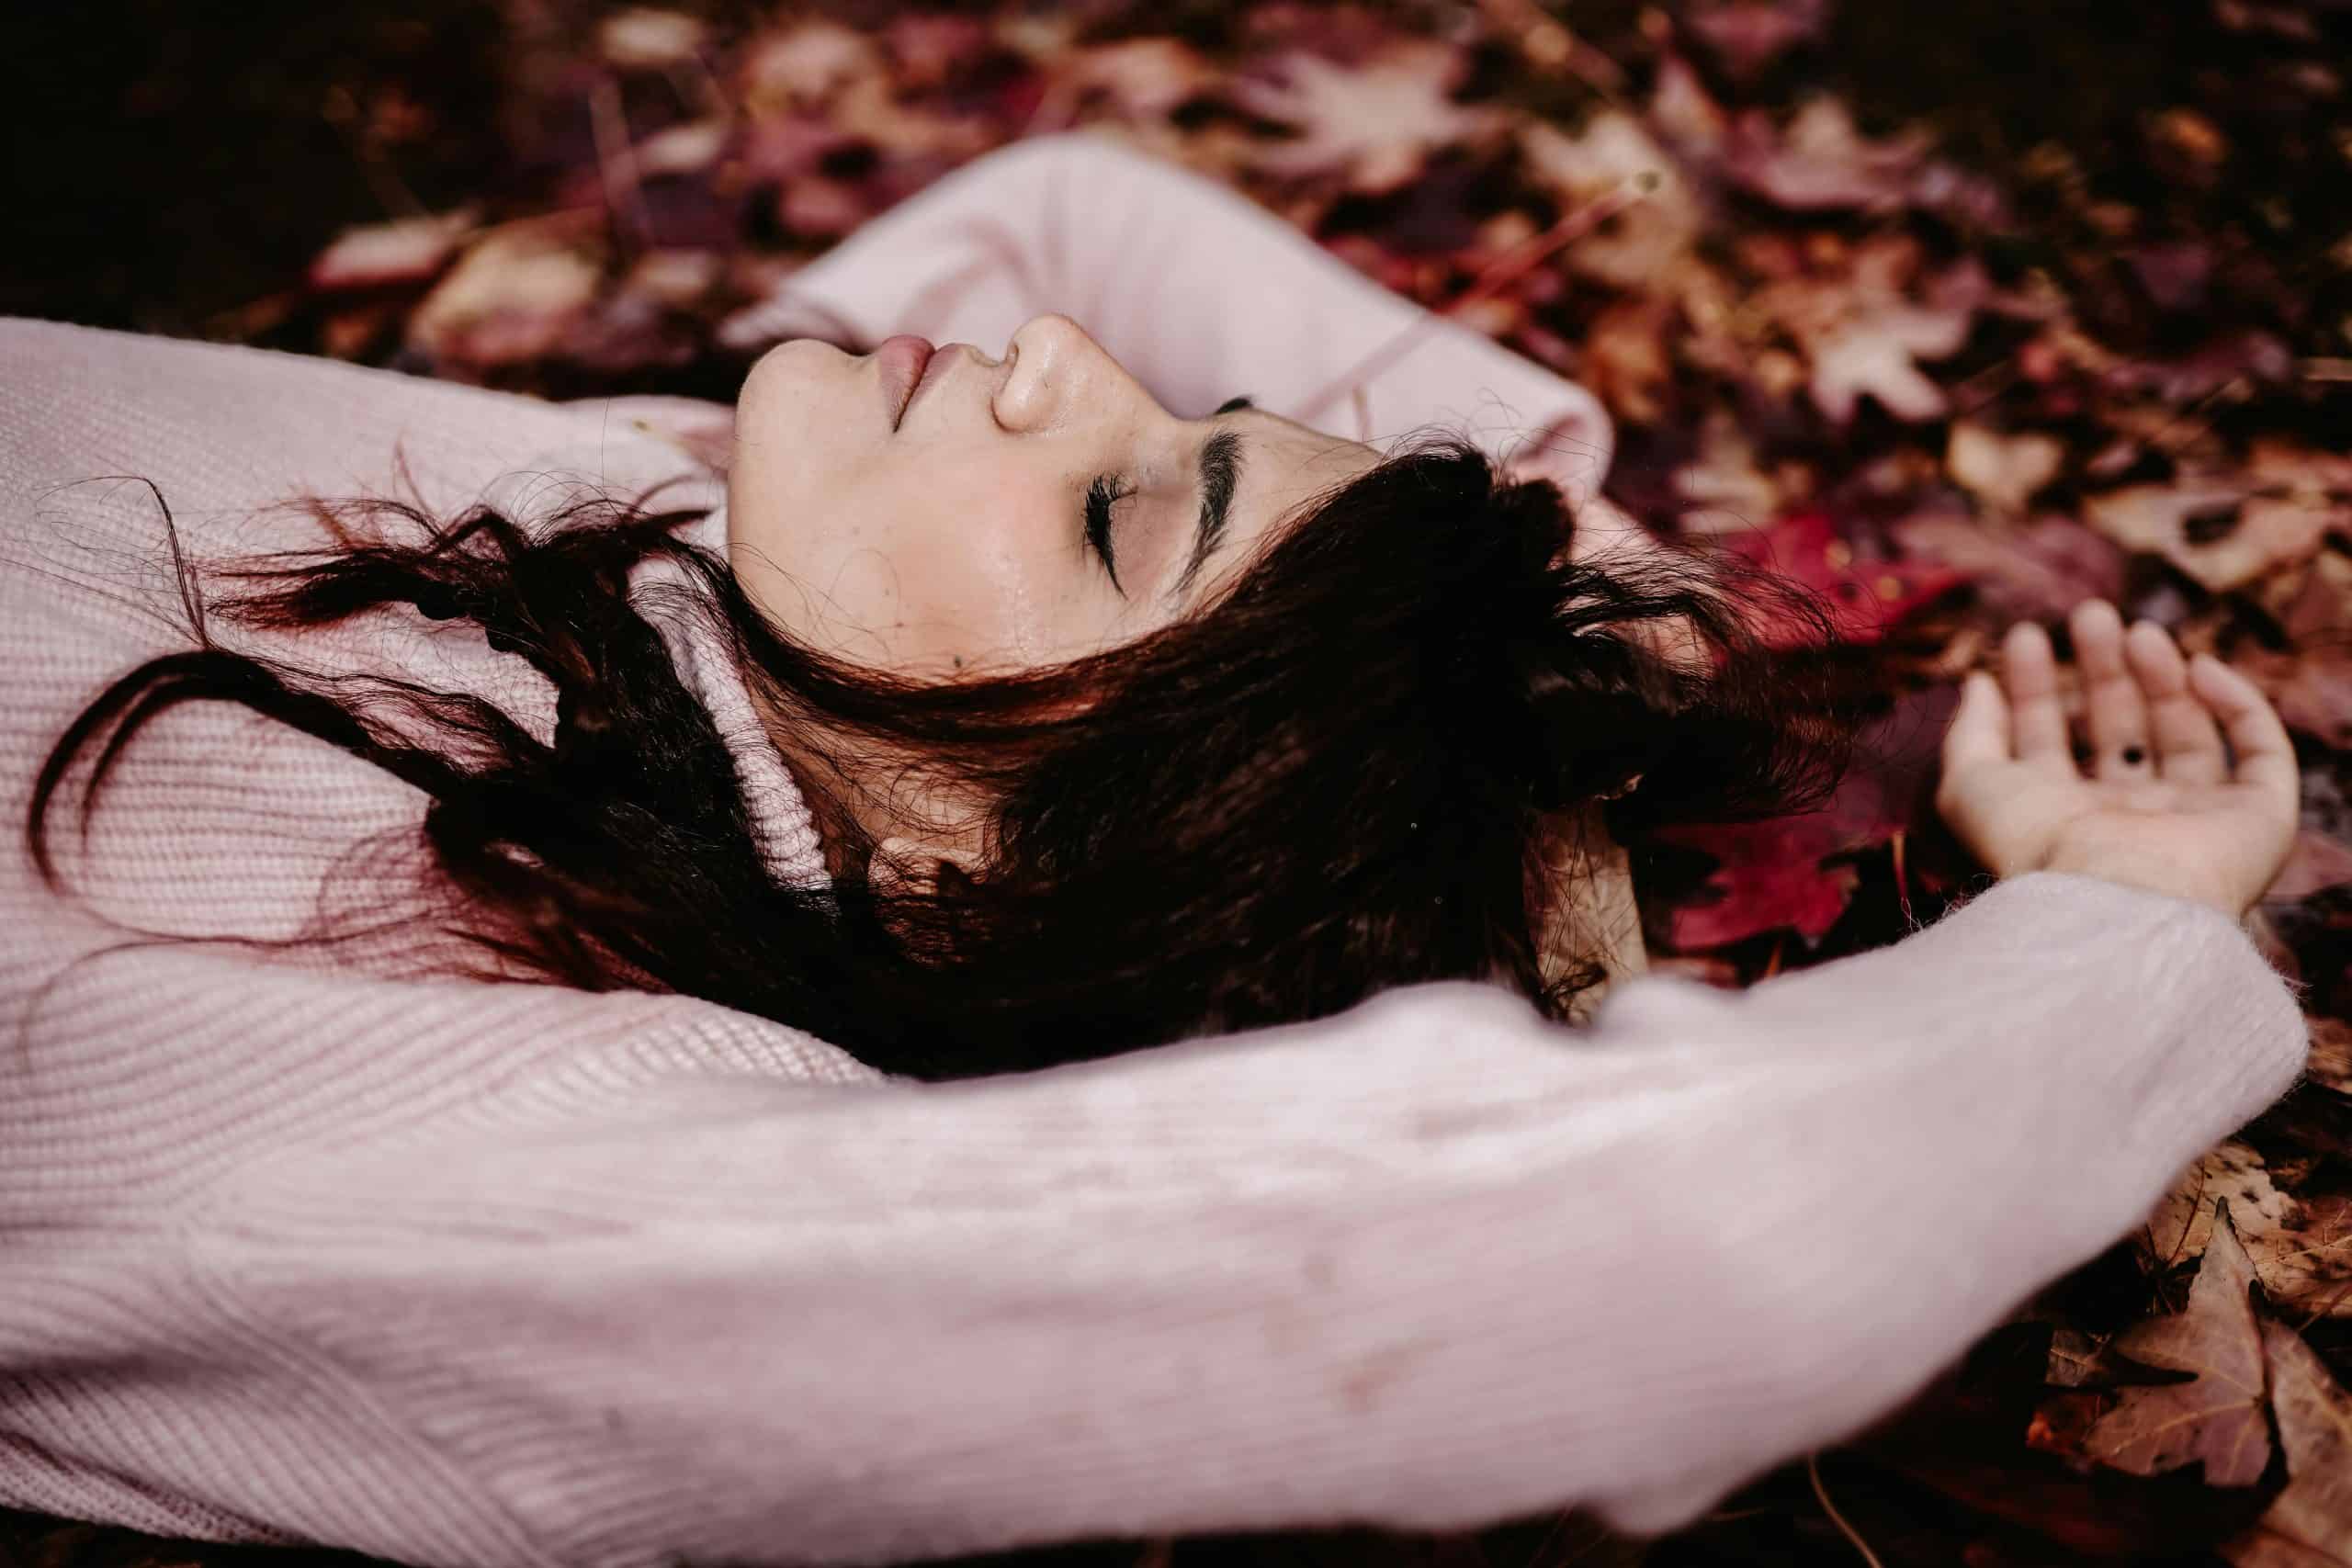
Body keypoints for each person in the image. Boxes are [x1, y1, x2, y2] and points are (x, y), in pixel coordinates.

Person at [0, 130, 2311, 1568]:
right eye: (1168, 442)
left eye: (1120, 506)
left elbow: (1693, 1232)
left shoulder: (505, 1113)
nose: (1052, 352)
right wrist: (1514, 580)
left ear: (980, 877)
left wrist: (2127, 921)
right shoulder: (727, 524)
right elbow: (1076, 191)